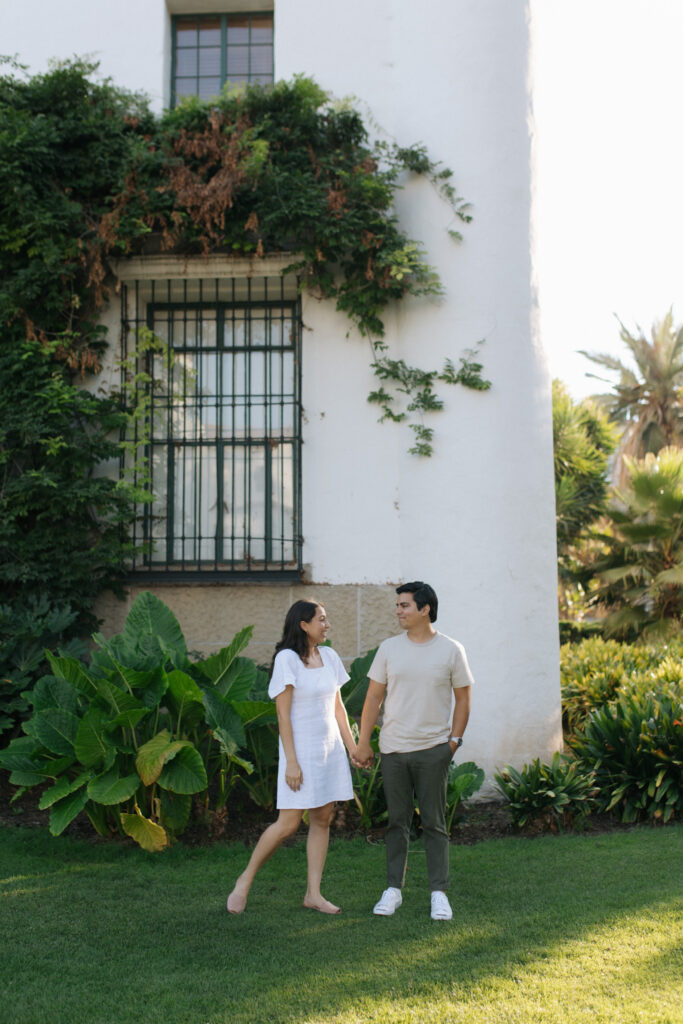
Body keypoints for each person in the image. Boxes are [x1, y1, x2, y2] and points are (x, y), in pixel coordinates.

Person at [227, 600, 357, 915]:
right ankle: (244, 881)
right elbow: (283, 717)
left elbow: (338, 707)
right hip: (300, 753)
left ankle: (313, 893)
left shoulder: (329, 656)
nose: (327, 625)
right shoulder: (287, 659)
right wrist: (292, 762)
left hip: (329, 752)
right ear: (303, 624)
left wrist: (352, 748)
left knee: (322, 820)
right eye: (322, 620)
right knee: (287, 824)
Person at [354, 581, 473, 921]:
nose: (398, 611)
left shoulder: (451, 650)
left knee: (435, 824)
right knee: (397, 823)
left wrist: (453, 742)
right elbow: (374, 698)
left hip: (434, 750)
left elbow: (463, 699)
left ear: (425, 610)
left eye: (405, 605)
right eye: (398, 605)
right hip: (393, 752)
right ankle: (393, 890)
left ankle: (439, 893)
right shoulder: (389, 649)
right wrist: (364, 743)